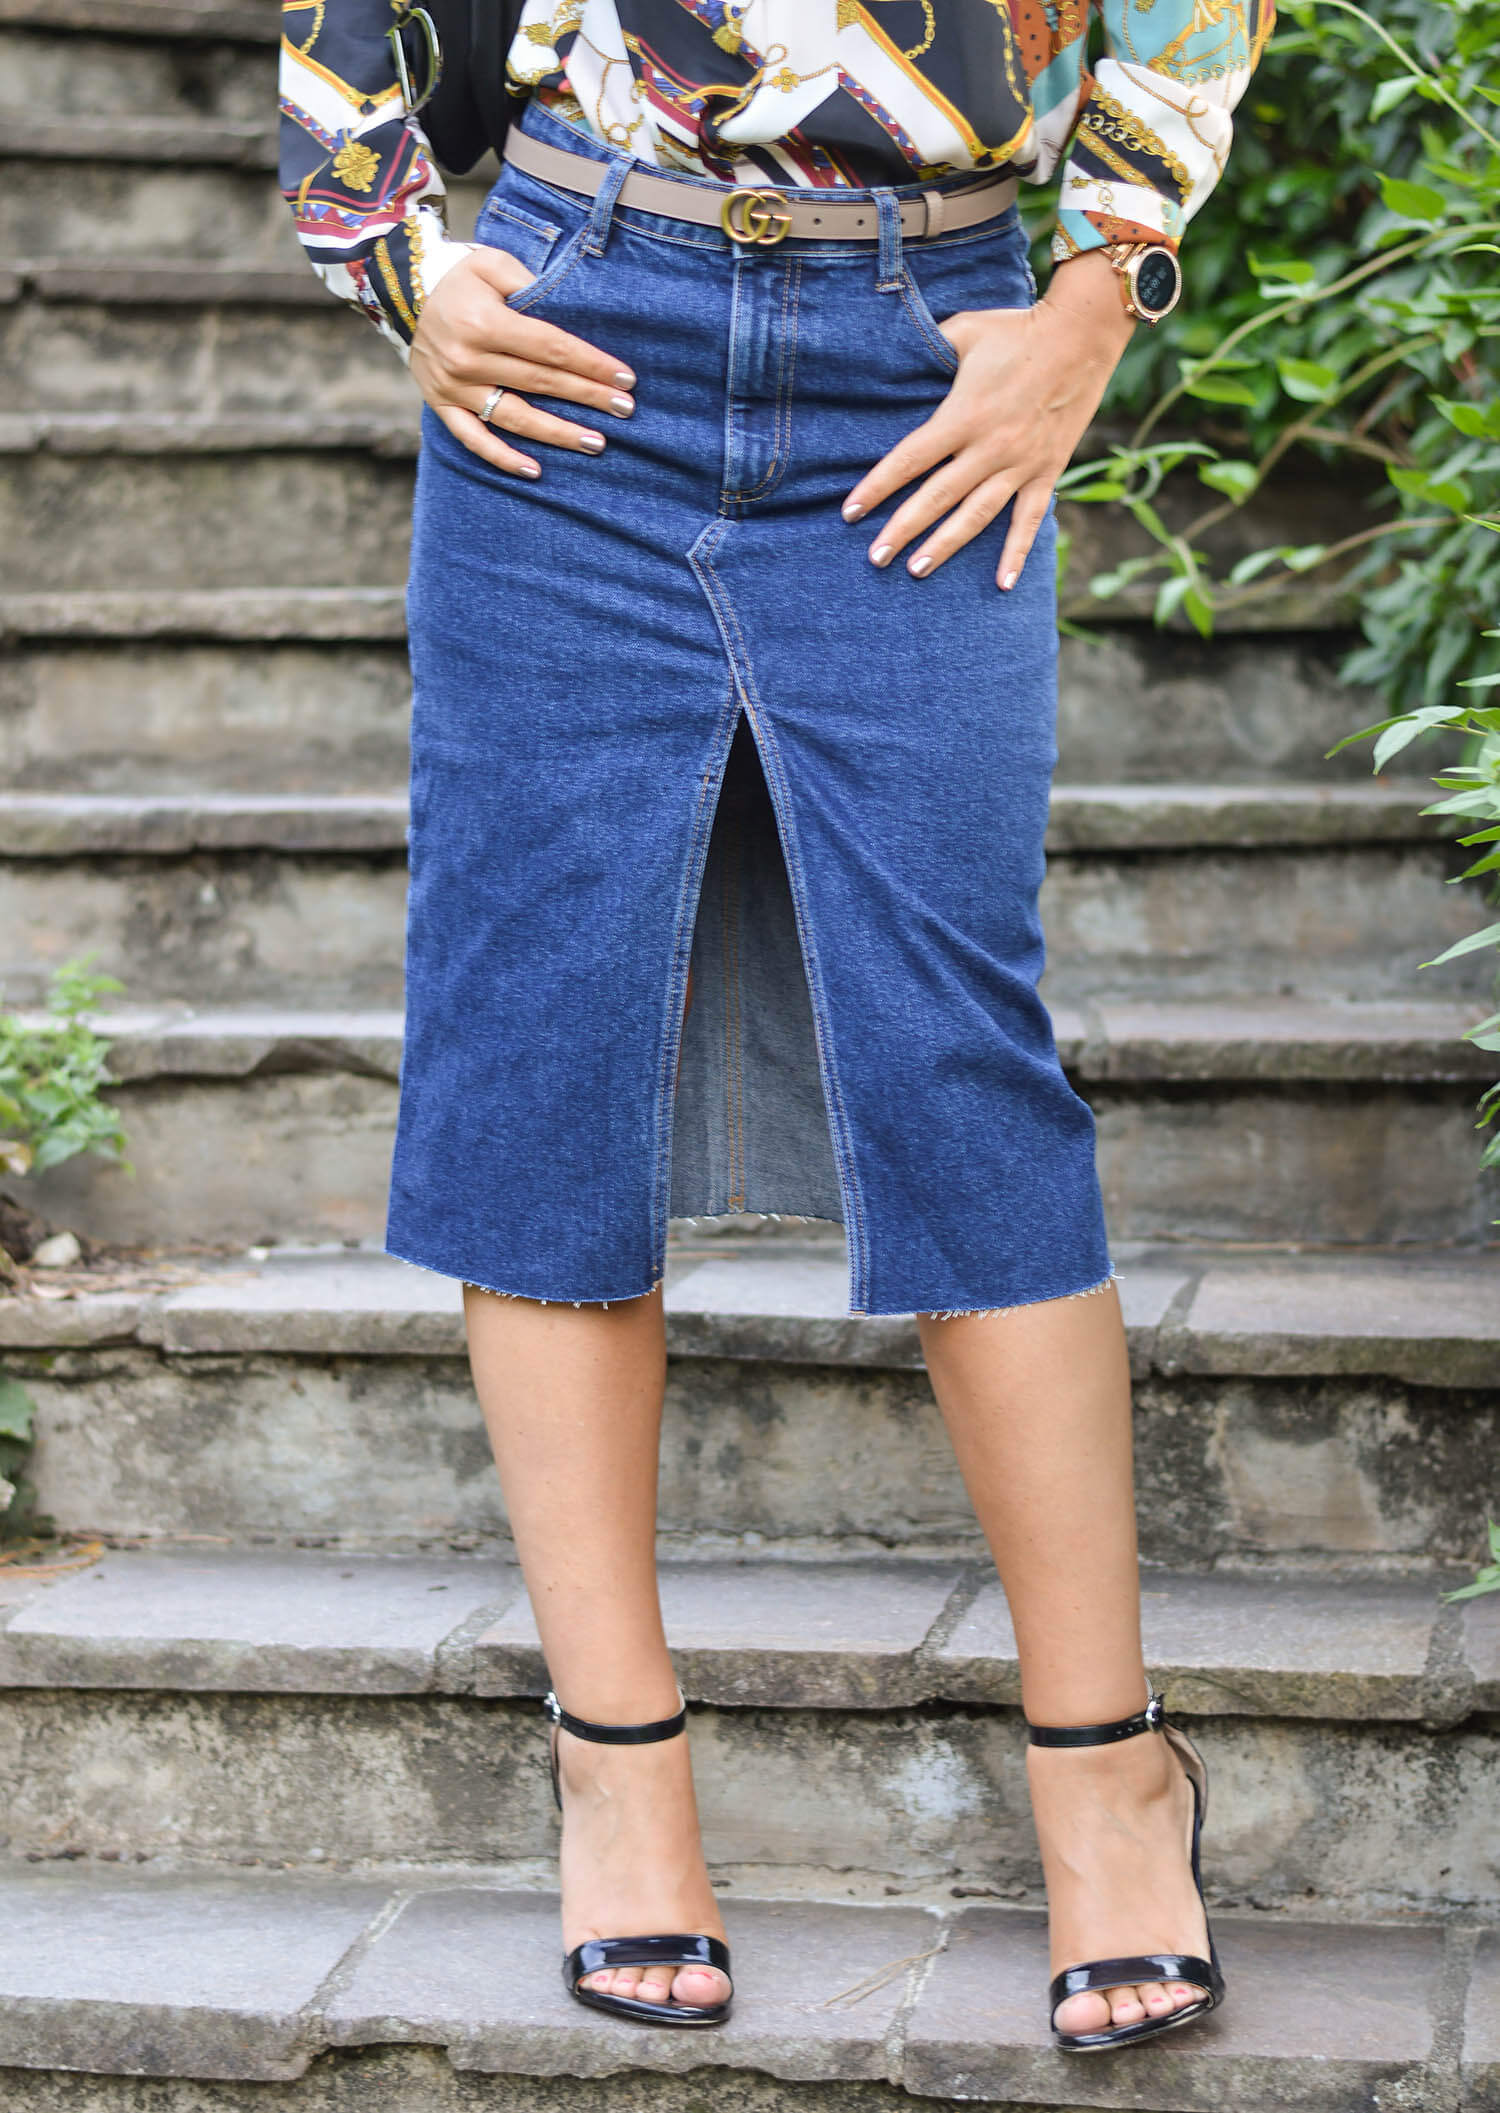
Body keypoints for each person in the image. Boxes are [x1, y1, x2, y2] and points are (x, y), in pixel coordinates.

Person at [278, 0, 1274, 2053]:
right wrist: (399, 242)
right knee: (540, 1032)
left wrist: (1099, 296)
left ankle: (1113, 1769)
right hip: (575, 340)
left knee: (953, 1043)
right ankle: (616, 1763)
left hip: (927, 352)